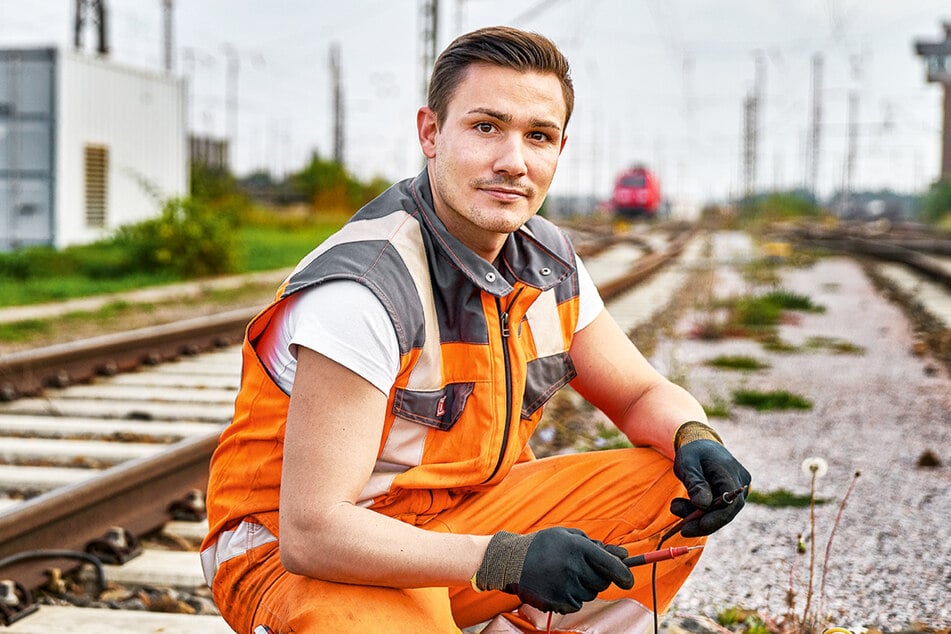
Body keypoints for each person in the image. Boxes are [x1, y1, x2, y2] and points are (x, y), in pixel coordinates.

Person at [200, 25, 751, 633]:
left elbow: (641, 393)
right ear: (431, 134)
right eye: (486, 127)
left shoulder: (547, 263)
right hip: (302, 557)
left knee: (668, 481)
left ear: (559, 150)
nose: (512, 162)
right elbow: (313, 531)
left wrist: (695, 434)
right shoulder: (366, 288)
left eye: (537, 136)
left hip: (455, 525)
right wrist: (507, 560)